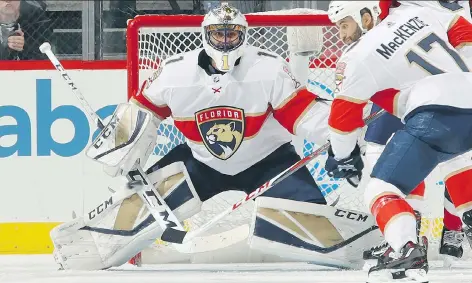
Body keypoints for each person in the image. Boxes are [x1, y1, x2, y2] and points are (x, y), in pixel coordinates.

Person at [47, 3, 382, 271]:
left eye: (232, 35)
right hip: (200, 162)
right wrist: (122, 147)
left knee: (318, 227)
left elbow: (301, 113)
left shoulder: (267, 67)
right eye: (218, 35)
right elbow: (143, 113)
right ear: (206, 35)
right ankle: (90, 244)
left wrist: (345, 131)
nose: (225, 41)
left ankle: (373, 241)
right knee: (137, 198)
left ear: (244, 37)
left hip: (268, 161)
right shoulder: (175, 71)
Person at [325, 1, 472, 281]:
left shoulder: (356, 58)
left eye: (344, 24)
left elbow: (341, 120)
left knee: (380, 188)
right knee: (456, 154)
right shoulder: (415, 11)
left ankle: (406, 249)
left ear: (365, 16)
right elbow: (462, 28)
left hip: (435, 114)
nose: (341, 35)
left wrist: (343, 155)